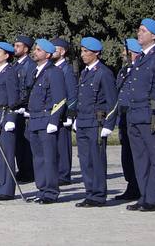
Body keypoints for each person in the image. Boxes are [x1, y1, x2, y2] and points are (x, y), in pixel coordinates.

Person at [121, 19, 155, 212]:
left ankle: (154, 197)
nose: (139, 33)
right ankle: (144, 195)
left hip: (151, 114)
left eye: (143, 31)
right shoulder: (141, 58)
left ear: (154, 35)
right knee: (140, 158)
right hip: (135, 114)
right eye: (139, 30)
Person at [74, 36, 116, 207]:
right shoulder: (85, 72)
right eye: (82, 51)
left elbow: (112, 101)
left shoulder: (103, 73)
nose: (83, 55)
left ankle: (98, 195)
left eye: (86, 52)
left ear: (96, 53)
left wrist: (109, 124)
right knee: (85, 160)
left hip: (96, 122)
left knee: (97, 160)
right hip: (83, 120)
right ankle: (90, 192)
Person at [26, 37, 68, 204]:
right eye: (35, 49)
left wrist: (54, 120)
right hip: (35, 119)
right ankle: (42, 189)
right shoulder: (36, 71)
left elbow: (60, 99)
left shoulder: (54, 72)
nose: (35, 52)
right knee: (38, 158)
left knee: (49, 157)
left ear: (48, 55)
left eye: (38, 50)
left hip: (46, 120)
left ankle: (50, 191)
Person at [112, 41, 141, 203]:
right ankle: (132, 184)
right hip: (124, 118)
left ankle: (139, 186)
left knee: (136, 154)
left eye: (126, 50)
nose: (123, 53)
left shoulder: (139, 69)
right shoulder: (123, 71)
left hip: (135, 116)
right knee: (127, 155)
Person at [50, 38, 77, 186]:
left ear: (62, 51)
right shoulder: (53, 69)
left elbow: (72, 94)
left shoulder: (66, 69)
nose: (52, 51)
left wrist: (70, 114)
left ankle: (64, 174)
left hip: (64, 113)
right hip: (54, 113)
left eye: (55, 49)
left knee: (63, 145)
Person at [11, 35, 36, 183]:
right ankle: (22, 170)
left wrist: (24, 106)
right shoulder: (16, 65)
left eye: (18, 46)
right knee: (18, 142)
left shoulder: (30, 65)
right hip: (16, 108)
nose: (15, 48)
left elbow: (29, 88)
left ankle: (28, 171)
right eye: (15, 45)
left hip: (25, 109)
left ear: (26, 49)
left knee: (26, 142)